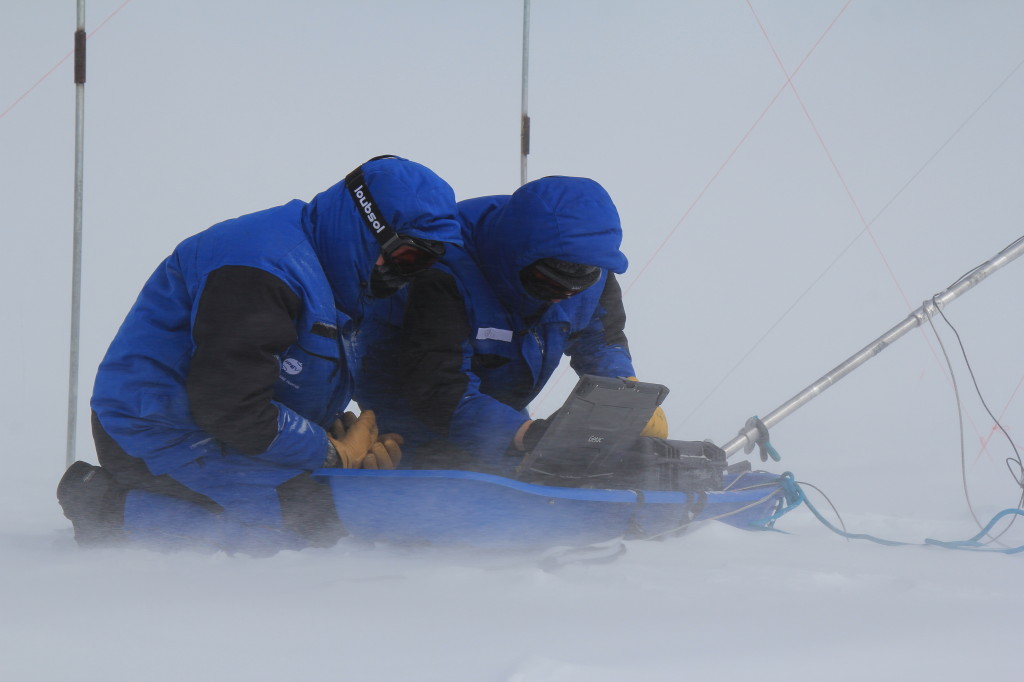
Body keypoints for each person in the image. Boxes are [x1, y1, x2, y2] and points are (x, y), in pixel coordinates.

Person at [57, 155, 463, 551]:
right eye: (409, 256)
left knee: (346, 507)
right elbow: (228, 403)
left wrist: (334, 436)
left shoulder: (346, 275)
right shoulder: (261, 268)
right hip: (152, 431)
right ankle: (104, 506)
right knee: (301, 529)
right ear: (368, 227)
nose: (409, 272)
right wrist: (330, 453)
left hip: (226, 429)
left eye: (426, 262)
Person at [354, 175, 667, 475]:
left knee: (523, 490)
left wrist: (623, 395)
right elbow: (437, 382)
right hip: (406, 425)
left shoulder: (591, 266)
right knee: (435, 509)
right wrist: (526, 436)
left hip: (502, 423)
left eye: (573, 290)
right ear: (518, 257)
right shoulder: (444, 268)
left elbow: (600, 340)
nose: (561, 299)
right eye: (549, 286)